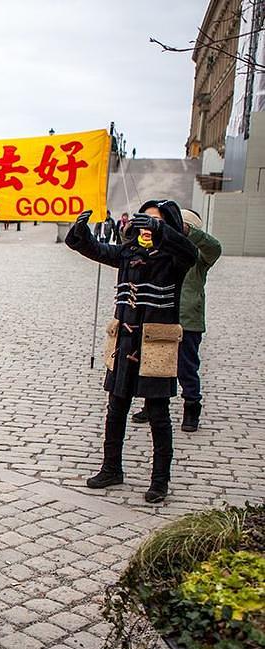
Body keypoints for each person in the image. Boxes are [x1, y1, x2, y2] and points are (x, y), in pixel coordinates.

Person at [65, 200, 197, 503]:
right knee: (116, 408)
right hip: (125, 343)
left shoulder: (174, 259)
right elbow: (98, 251)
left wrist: (162, 231)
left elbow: (190, 253)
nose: (146, 227)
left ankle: (160, 480)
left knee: (159, 415)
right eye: (144, 220)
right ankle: (111, 467)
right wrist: (81, 233)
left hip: (155, 344)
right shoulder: (129, 253)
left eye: (155, 221)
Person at [132, 209, 221, 431]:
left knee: (186, 367)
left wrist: (188, 232)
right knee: (153, 362)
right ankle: (150, 404)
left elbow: (215, 248)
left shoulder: (199, 258)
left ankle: (192, 406)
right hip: (159, 315)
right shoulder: (161, 249)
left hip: (187, 319)